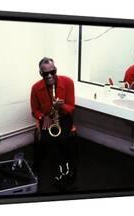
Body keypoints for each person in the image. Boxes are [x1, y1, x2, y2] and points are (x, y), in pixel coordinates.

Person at [30, 57, 76, 191]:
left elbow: (72, 107)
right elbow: (34, 111)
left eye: (52, 71)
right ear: (41, 73)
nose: (50, 76)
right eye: (45, 74)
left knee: (63, 140)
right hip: (47, 118)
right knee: (43, 141)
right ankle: (37, 169)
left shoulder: (68, 82)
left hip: (64, 116)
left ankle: (69, 170)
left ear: (56, 70)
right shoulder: (35, 88)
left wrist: (62, 107)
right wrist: (43, 117)